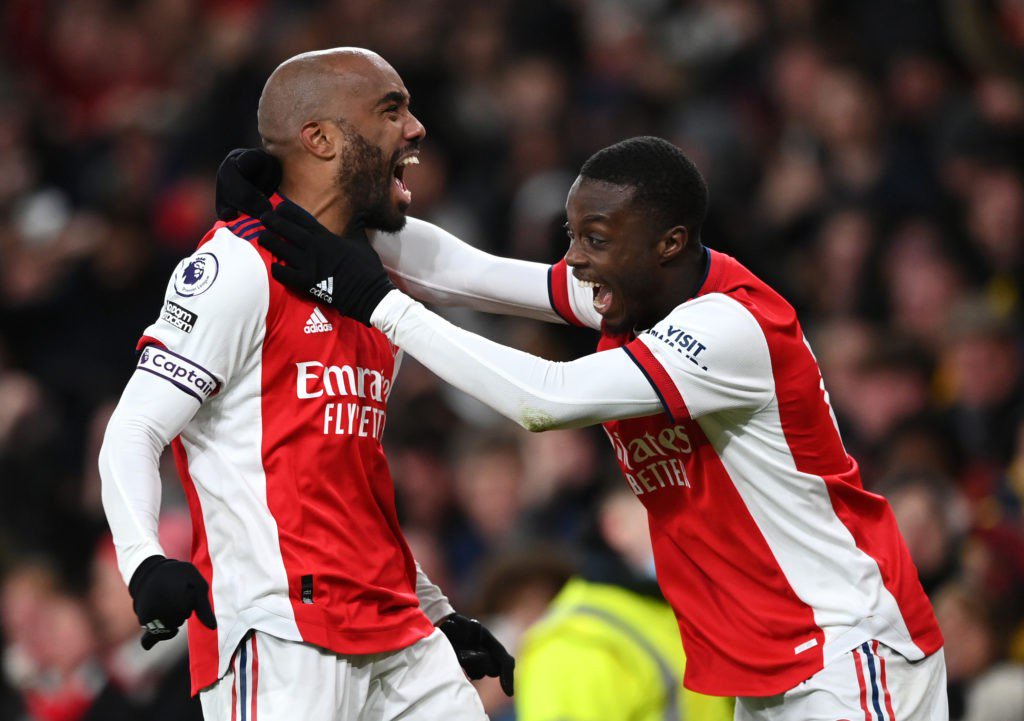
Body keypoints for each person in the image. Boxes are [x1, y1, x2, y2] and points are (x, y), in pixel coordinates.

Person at [217, 134, 948, 719]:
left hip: (849, 649)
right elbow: (466, 273)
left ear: (668, 242)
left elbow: (546, 398)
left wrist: (376, 302)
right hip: (769, 664)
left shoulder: (729, 328)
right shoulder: (633, 290)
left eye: (594, 238)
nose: (574, 259)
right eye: (572, 235)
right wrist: (302, 213)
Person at [98, 48, 512, 721]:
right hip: (281, 628)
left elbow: (350, 487)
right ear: (320, 138)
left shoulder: (369, 291)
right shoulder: (234, 266)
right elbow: (134, 429)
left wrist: (438, 609)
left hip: (399, 630)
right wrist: (144, 562)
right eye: (390, 109)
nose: (416, 129)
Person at [516, 486, 734, 721]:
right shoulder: (575, 641)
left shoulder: (678, 610)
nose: (693, 527)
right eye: (670, 510)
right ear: (616, 526)